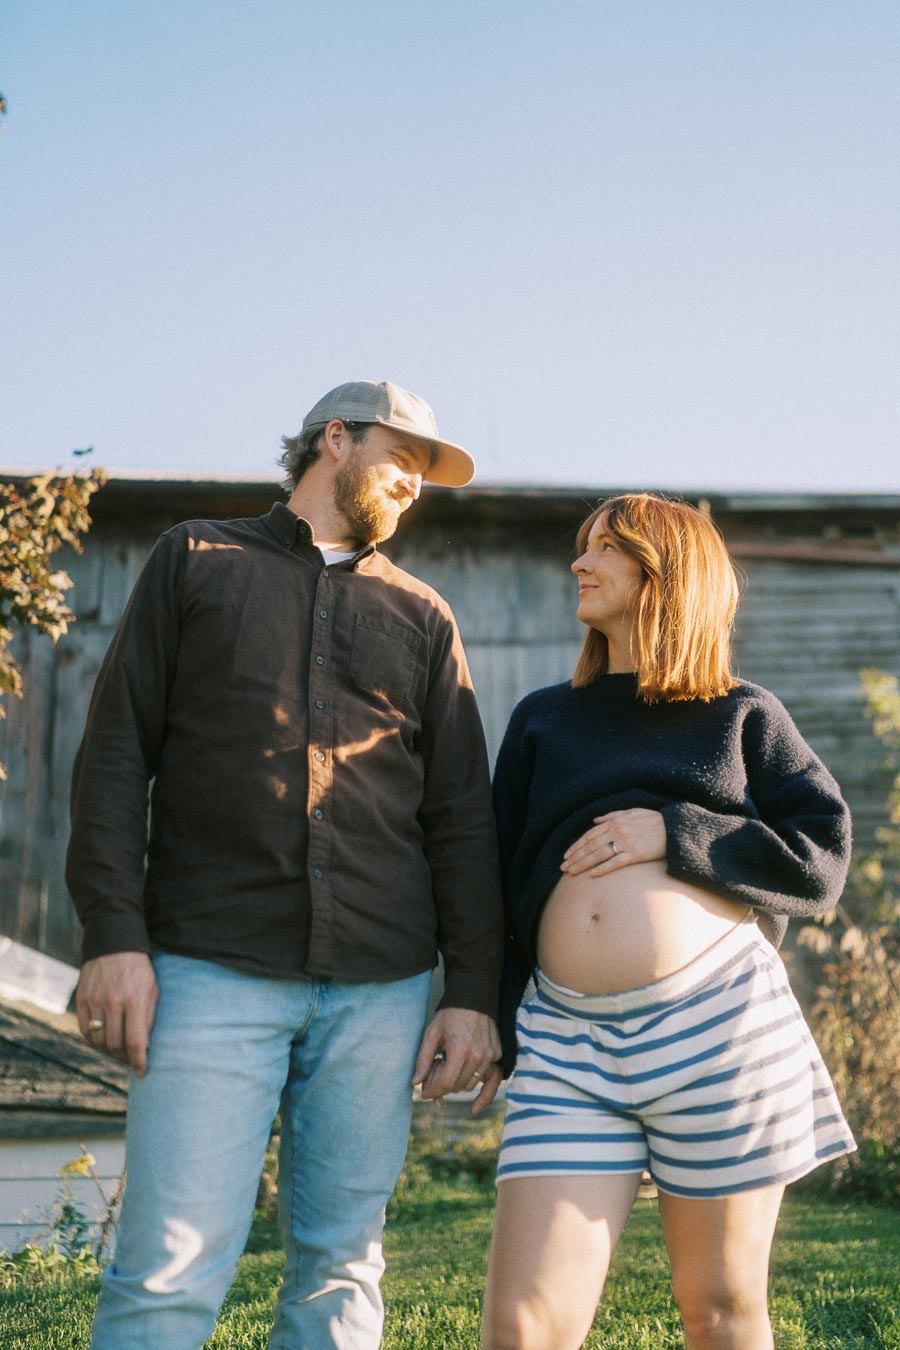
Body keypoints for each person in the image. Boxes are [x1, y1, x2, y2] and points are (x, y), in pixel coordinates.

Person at [66, 380, 505, 1350]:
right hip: (207, 968)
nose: (414, 485)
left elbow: (461, 818)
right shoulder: (195, 559)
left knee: (342, 1274)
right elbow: (113, 757)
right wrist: (114, 936)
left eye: (427, 475)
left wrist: (472, 990)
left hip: (380, 990)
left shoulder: (425, 618)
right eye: (403, 458)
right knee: (165, 1273)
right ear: (334, 440)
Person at [481, 493, 855, 1350]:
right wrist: (489, 1019)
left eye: (606, 548)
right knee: (521, 1327)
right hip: (569, 1045)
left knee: (719, 1313)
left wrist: (677, 832)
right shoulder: (544, 719)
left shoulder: (740, 712)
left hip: (719, 1028)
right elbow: (496, 882)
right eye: (583, 547)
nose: (580, 563)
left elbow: (822, 853)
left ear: (667, 572)